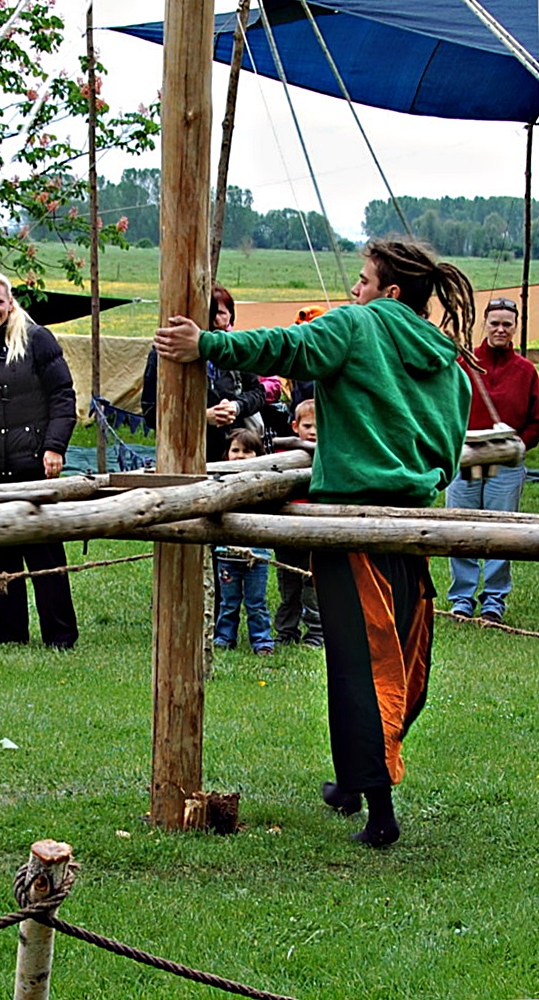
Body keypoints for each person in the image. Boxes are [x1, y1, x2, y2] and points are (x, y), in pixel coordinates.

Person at [155, 236, 473, 847]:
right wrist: (423, 477)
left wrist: (207, 345)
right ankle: (353, 785)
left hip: (352, 520)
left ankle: (380, 815)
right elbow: (449, 450)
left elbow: (286, 346)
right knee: (397, 649)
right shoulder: (447, 357)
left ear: (390, 291)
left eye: (362, 279)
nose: (354, 289)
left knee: (365, 659)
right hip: (413, 523)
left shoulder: (359, 325)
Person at [0, 269, 79, 650]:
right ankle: (8, 633)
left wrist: (55, 446)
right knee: (0, 552)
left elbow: (63, 396)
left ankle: (60, 636)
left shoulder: (37, 339)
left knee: (45, 553)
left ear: (10, 302)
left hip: (34, 463)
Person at [446, 296, 539, 624]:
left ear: (515, 328)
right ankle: (461, 598)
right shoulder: (463, 364)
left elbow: (536, 418)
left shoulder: (526, 371)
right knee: (462, 527)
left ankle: (494, 601)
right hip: (467, 457)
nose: (500, 329)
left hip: (507, 461)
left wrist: (518, 446)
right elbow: (445, 409)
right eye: (495, 323)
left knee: (501, 529)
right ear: (484, 324)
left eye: (507, 324)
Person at [141, 284, 265, 461]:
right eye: (210, 313)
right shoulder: (165, 354)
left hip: (233, 453)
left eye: (221, 313)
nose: (215, 320)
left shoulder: (235, 350)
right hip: (182, 454)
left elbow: (258, 393)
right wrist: (202, 416)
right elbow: (151, 412)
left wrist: (235, 407)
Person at [213, 428, 275, 655]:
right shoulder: (221, 482)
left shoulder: (263, 483)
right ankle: (224, 638)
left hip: (256, 556)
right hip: (227, 554)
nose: (239, 455)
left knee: (256, 602)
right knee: (229, 602)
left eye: (247, 451)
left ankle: (262, 641)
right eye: (235, 450)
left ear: (258, 455)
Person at [273, 398, 324, 648]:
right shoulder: (284, 455)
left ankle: (316, 632)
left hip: (315, 530)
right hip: (285, 529)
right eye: (307, 425)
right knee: (287, 582)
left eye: (318, 425)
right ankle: (286, 630)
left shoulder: (328, 456)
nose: (313, 431)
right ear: (295, 427)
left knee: (311, 582)